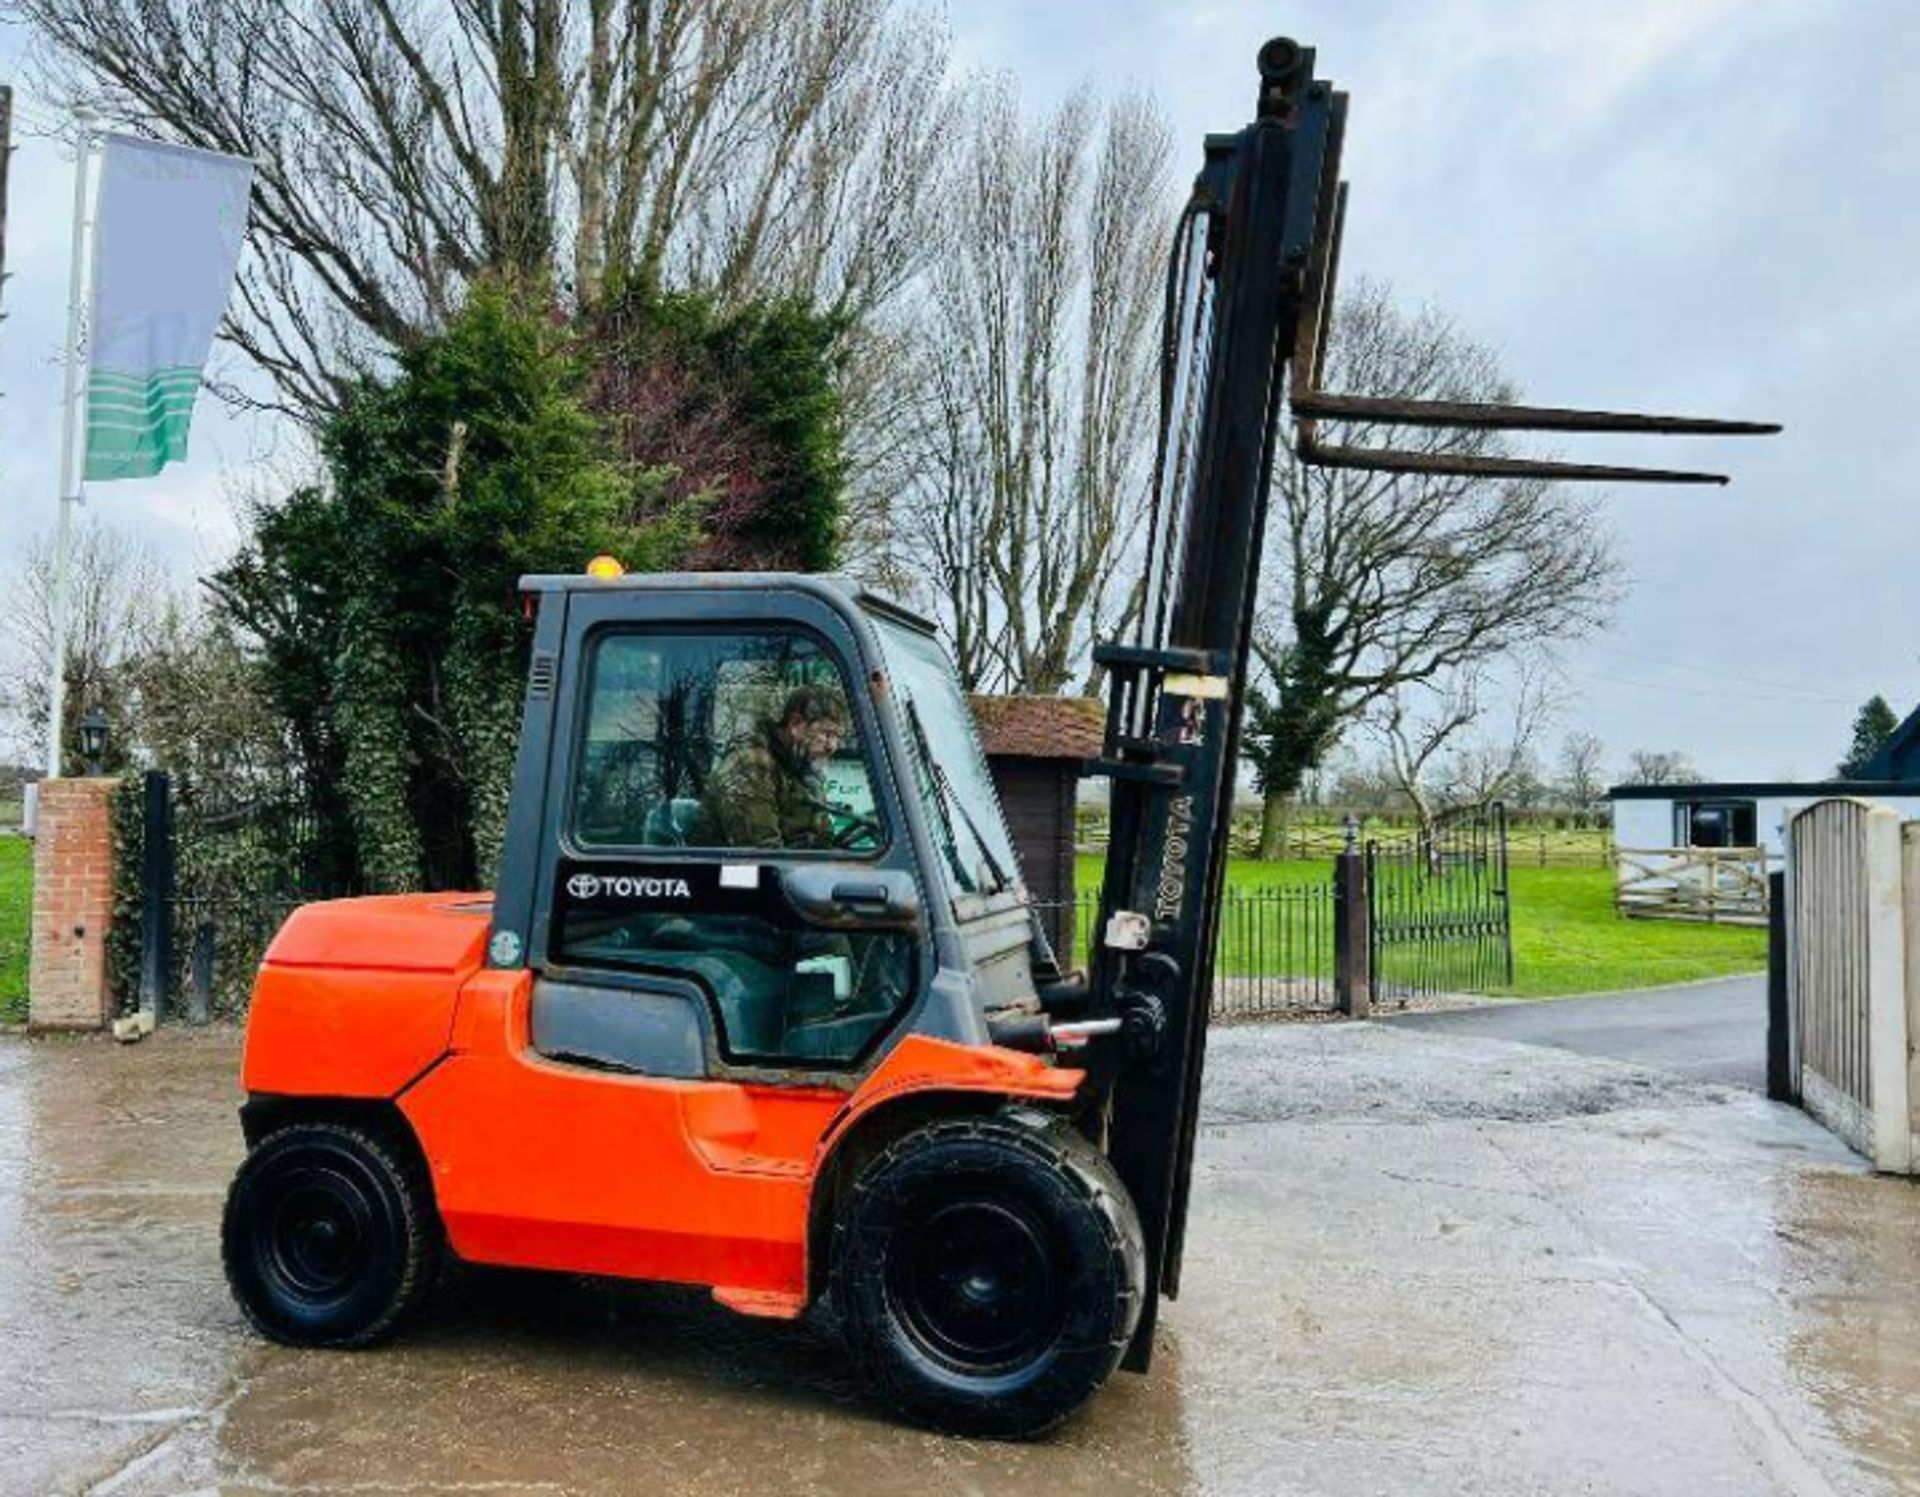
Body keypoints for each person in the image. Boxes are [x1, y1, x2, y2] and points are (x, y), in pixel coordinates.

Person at [696, 684, 850, 850]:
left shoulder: (802, 770)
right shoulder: (750, 766)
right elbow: (763, 855)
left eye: (837, 737)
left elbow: (822, 840)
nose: (832, 746)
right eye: (826, 734)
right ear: (796, 724)